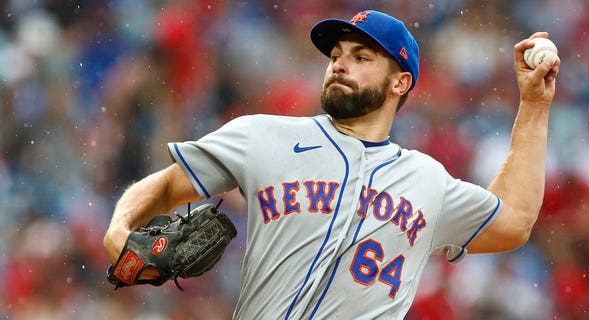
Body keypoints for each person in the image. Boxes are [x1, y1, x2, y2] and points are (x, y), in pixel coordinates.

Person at [103, 9, 560, 319]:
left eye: (361, 57)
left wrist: (535, 105)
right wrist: (118, 231)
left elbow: (514, 219)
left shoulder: (427, 180)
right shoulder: (265, 136)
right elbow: (164, 188)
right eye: (336, 55)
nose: (340, 64)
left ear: (401, 82)